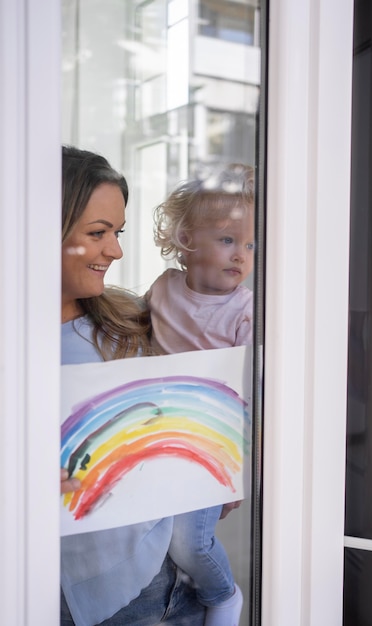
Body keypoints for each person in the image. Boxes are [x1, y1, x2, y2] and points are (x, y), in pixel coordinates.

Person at [60, 145, 206, 626]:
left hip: (157, 585)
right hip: (48, 590)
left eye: (116, 233)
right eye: (98, 233)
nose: (116, 250)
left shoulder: (130, 321)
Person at [145, 163, 255, 626]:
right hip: (156, 434)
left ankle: (224, 595)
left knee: (190, 541)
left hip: (211, 440)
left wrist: (237, 468)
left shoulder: (246, 310)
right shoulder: (162, 289)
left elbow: (252, 395)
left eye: (249, 244)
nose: (241, 256)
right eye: (228, 240)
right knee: (159, 531)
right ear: (187, 241)